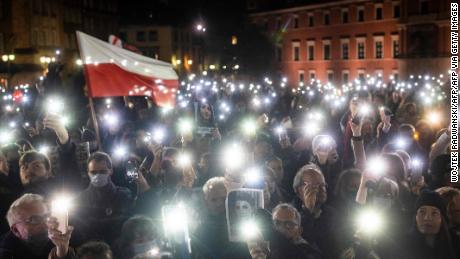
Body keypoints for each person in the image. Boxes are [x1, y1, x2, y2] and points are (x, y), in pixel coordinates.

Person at [75, 152, 133, 243]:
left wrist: (91, 223)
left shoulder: (123, 194)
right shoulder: (80, 199)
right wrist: (110, 222)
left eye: (103, 172)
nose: (98, 175)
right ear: (88, 173)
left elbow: (124, 222)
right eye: (93, 172)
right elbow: (80, 227)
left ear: (111, 171)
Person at [0, 194, 76, 259]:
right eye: (34, 219)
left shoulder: (57, 235)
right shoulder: (5, 252)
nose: (46, 223)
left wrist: (62, 249)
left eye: (47, 216)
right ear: (16, 230)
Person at [291, 164, 338, 259]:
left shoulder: (332, 213)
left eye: (323, 185)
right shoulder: (289, 215)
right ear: (298, 190)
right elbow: (301, 243)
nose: (321, 190)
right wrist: (308, 211)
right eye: (314, 186)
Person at [247, 203, 322, 259]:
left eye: (289, 224)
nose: (281, 228)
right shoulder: (264, 249)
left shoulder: (309, 252)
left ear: (299, 231)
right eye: (276, 223)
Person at [400, 191, 457, 259]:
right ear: (416, 216)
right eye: (422, 212)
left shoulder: (455, 243)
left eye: (434, 213)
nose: (427, 218)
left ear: (442, 218)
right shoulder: (401, 244)